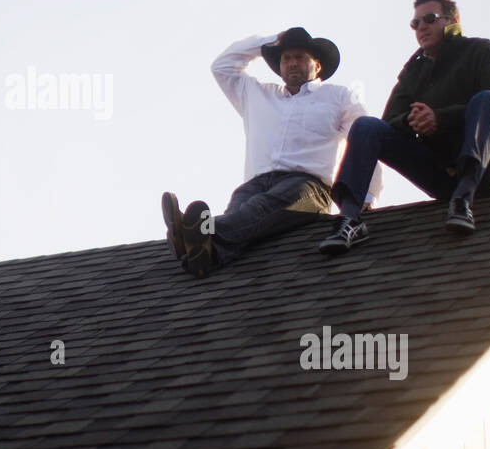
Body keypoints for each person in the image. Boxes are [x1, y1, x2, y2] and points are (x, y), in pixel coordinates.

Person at [163, 27, 382, 277]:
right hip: (254, 184)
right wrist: (267, 42)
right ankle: (201, 254)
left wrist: (368, 195)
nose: (292, 63)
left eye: (300, 57)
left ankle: (194, 232)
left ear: (317, 66)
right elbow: (221, 67)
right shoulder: (256, 94)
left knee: (257, 209)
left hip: (308, 187)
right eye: (286, 58)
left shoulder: (338, 96)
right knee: (242, 219)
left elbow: (364, 139)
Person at [318, 0, 490, 255]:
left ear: (452, 20)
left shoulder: (482, 51)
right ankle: (350, 218)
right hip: (444, 174)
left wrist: (440, 117)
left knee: (485, 99)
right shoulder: (413, 72)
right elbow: (389, 123)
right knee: (367, 127)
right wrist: (413, 121)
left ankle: (464, 200)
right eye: (415, 24)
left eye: (429, 19)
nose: (421, 27)